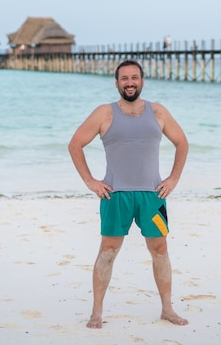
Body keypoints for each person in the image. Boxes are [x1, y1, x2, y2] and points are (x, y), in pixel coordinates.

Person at [68, 59, 189, 329]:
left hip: (152, 196)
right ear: (116, 83)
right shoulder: (104, 113)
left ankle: (167, 309)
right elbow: (75, 144)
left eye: (134, 77)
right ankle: (97, 312)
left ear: (142, 81)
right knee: (108, 251)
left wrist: (173, 178)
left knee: (160, 250)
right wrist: (90, 181)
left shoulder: (158, 112)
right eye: (124, 78)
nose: (130, 82)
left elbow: (182, 143)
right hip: (115, 195)